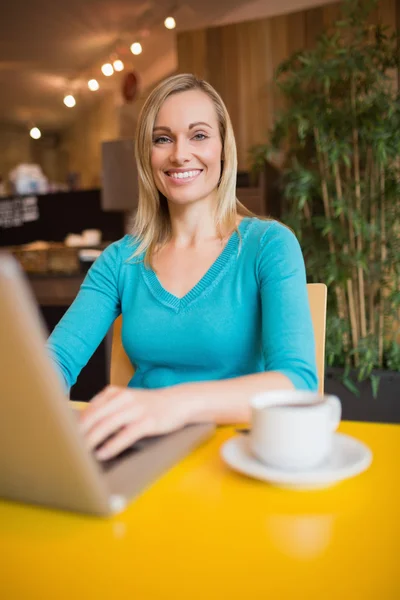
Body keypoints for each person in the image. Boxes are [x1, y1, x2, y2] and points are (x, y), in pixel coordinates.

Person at [47, 73, 318, 461]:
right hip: (140, 456)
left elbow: (297, 383)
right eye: (163, 139)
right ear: (147, 155)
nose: (179, 154)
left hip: (238, 458)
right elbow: (55, 362)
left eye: (199, 135)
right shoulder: (120, 260)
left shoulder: (268, 246)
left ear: (224, 148)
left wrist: (173, 405)